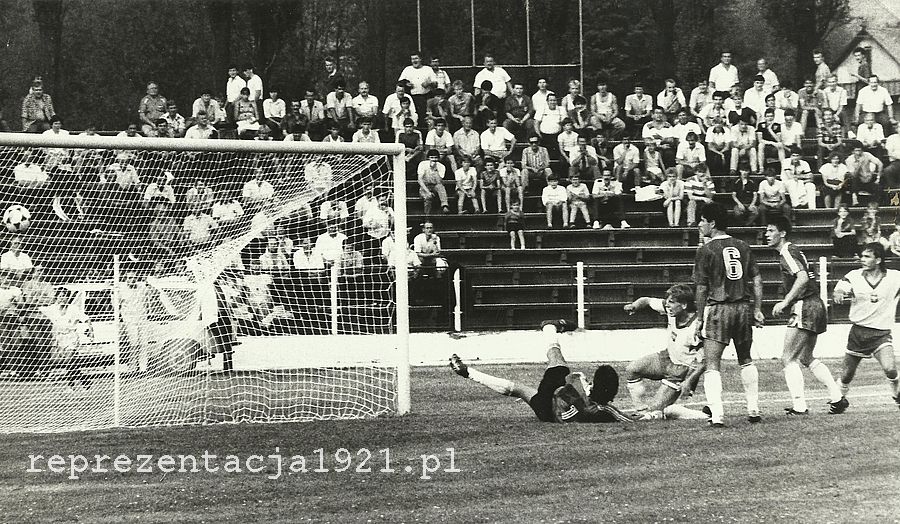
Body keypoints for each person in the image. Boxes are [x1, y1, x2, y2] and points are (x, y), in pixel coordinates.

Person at [449, 319, 632, 423]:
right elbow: (627, 420)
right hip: (546, 413)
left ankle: (550, 327)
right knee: (519, 389)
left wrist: (581, 384)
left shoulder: (588, 395)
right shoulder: (604, 411)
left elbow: (568, 384)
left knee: (557, 361)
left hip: (554, 397)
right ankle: (469, 373)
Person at [764, 216, 847, 415]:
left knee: (787, 358)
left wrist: (785, 302)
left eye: (770, 230)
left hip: (805, 305)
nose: (766, 235)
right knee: (806, 357)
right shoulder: (793, 250)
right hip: (814, 304)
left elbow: (801, 278)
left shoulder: (787, 252)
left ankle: (800, 406)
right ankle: (837, 398)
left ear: (782, 233)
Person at [693, 203, 764, 426]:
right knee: (746, 359)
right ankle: (753, 409)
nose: (700, 224)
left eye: (702, 220)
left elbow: (702, 287)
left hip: (719, 308)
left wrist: (699, 318)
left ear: (712, 223)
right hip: (743, 308)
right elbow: (758, 278)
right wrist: (758, 308)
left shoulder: (705, 250)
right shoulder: (742, 245)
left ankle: (717, 416)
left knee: (712, 363)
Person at [622, 284, 708, 420]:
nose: (667, 306)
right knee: (633, 369)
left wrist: (689, 381)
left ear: (684, 305)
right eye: (667, 302)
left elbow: (705, 361)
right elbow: (647, 300)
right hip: (667, 358)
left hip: (682, 371)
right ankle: (641, 410)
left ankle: (704, 415)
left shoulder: (697, 326)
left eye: (672, 302)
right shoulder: (670, 310)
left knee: (656, 411)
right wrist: (634, 305)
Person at [833, 242, 900, 410]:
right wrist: (839, 293)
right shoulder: (854, 276)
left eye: (866, 256)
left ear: (878, 260)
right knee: (847, 374)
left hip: (881, 333)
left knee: (890, 369)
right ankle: (838, 400)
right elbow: (840, 288)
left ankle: (897, 394)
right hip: (858, 332)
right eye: (861, 256)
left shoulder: (894, 277)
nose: (862, 259)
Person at [398, 51, 436, 119]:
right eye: (412, 59)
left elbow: (435, 83)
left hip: (425, 97)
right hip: (412, 97)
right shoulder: (407, 69)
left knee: (425, 116)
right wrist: (406, 84)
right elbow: (400, 83)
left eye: (416, 58)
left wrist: (429, 83)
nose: (414, 61)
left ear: (420, 59)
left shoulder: (428, 69)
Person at [417, 149, 450, 215]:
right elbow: (419, 180)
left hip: (435, 185)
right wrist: (428, 192)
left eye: (435, 157)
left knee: (440, 187)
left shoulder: (441, 166)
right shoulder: (422, 164)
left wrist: (434, 169)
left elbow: (439, 181)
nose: (433, 159)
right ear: (428, 158)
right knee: (428, 197)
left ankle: (445, 206)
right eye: (431, 157)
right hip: (424, 186)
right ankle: (427, 218)